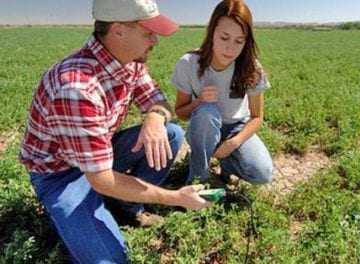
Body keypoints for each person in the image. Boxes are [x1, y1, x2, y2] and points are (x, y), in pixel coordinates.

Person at [19, 0, 210, 262]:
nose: (155, 40)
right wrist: (175, 198)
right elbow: (102, 179)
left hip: (98, 155)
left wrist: (155, 117)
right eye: (147, 32)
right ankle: (78, 210)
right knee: (112, 260)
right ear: (118, 30)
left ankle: (126, 204)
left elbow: (158, 100)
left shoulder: (129, 61)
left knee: (170, 133)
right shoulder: (76, 88)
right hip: (61, 174)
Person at [171, 0, 273, 185]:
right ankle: (197, 177)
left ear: (246, 41)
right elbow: (181, 113)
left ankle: (225, 162)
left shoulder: (251, 68)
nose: (230, 48)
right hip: (204, 127)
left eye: (239, 41)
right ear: (212, 33)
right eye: (224, 38)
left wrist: (233, 143)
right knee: (206, 112)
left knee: (262, 174)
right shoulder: (188, 63)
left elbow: (257, 117)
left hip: (236, 128)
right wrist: (199, 101)